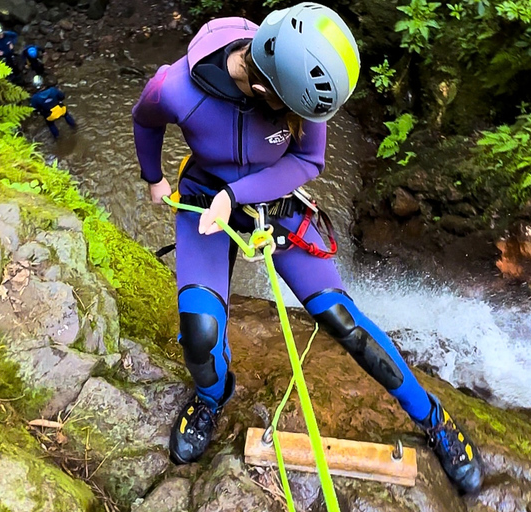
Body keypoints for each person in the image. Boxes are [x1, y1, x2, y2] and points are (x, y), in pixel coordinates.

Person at [132, 2, 483, 495]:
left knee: (343, 321)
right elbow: (144, 119)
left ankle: (435, 420)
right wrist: (154, 177)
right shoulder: (178, 88)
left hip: (275, 206)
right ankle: (213, 396)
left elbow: (309, 161)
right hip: (201, 198)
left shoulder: (299, 86)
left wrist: (237, 194)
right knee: (200, 329)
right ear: (260, 85)